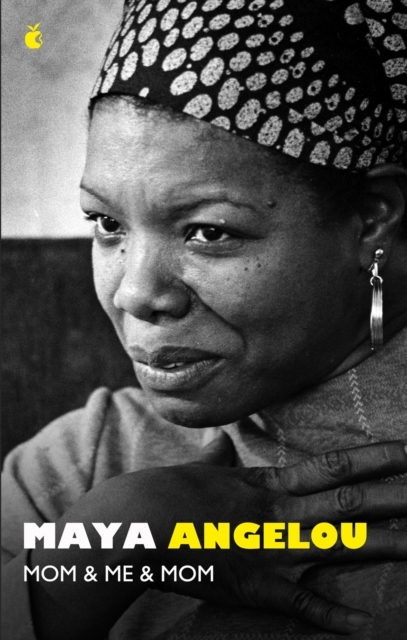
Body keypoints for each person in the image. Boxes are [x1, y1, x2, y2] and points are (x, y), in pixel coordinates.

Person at [2, 0, 407, 638]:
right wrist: (108, 543)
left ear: (372, 218)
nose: (135, 293)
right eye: (107, 224)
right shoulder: (85, 461)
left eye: (208, 231)